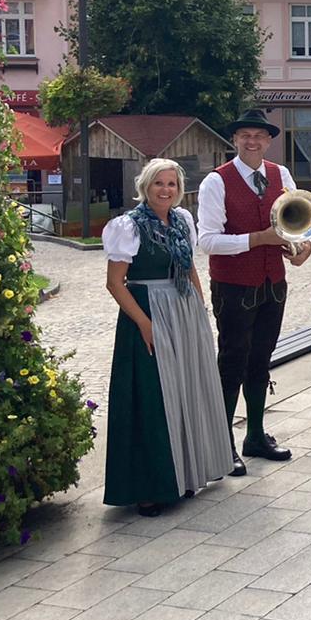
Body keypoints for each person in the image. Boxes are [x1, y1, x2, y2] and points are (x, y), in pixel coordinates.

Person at [105, 159, 231, 516]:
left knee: (187, 389)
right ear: (145, 186)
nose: (165, 189)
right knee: (154, 395)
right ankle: (150, 487)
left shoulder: (181, 221)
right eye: (158, 183)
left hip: (183, 311)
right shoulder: (129, 226)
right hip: (148, 309)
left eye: (172, 184)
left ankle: (185, 474)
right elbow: (115, 283)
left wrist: (199, 309)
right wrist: (145, 324)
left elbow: (189, 267)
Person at [197, 108, 311, 476]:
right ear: (235, 139)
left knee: (261, 360)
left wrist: (303, 247)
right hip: (233, 286)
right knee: (232, 363)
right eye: (246, 135)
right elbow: (207, 240)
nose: (253, 141)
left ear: (268, 141)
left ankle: (256, 436)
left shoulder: (281, 174)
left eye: (260, 136)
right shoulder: (216, 181)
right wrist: (258, 239)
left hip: (272, 283)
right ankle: (222, 444)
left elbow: (300, 223)